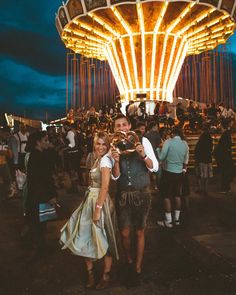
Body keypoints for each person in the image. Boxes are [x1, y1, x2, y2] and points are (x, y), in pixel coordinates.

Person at [60, 132, 119, 290]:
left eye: (103, 144)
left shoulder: (105, 160)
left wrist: (98, 209)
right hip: (90, 200)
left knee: (103, 237)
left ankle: (106, 275)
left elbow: (105, 187)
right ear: (94, 144)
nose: (101, 147)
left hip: (100, 202)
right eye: (98, 143)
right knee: (85, 237)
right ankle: (91, 273)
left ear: (107, 145)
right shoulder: (96, 158)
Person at [111, 114, 158, 286]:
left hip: (142, 193)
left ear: (129, 125)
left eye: (124, 124)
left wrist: (143, 155)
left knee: (139, 231)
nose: (121, 128)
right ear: (114, 129)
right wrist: (116, 161)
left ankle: (137, 267)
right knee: (124, 232)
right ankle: (129, 260)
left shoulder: (143, 141)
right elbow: (115, 177)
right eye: (118, 126)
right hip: (123, 194)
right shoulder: (114, 145)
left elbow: (155, 167)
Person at [25, 131, 57, 253]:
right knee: (40, 221)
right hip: (40, 194)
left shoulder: (37, 154)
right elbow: (45, 178)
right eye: (45, 140)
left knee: (39, 221)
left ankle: (38, 243)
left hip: (36, 194)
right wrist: (51, 195)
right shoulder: (38, 156)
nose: (48, 143)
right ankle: (40, 246)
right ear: (38, 142)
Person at [156, 127, 189, 228]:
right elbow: (186, 161)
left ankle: (169, 221)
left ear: (173, 133)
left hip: (168, 173)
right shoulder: (185, 144)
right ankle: (177, 219)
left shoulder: (168, 142)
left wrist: (158, 149)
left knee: (166, 196)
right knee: (177, 195)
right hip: (179, 173)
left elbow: (161, 157)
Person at [194, 124, 213, 196]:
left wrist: (196, 158)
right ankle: (205, 189)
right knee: (207, 175)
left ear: (202, 130)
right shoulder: (209, 137)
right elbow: (211, 148)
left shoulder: (201, 138)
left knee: (201, 174)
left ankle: (201, 188)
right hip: (208, 158)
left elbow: (198, 149)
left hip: (201, 159)